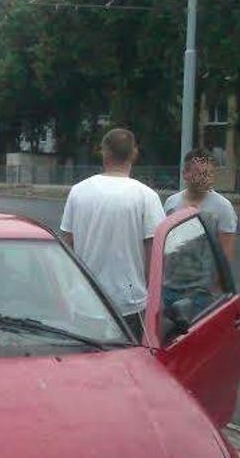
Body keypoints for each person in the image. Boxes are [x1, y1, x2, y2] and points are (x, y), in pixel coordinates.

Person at [60, 128, 164, 340]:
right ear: (134, 153)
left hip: (85, 301)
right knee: (128, 359)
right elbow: (155, 254)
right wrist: (151, 295)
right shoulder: (147, 196)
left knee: (87, 360)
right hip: (130, 303)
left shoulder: (78, 192)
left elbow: (67, 245)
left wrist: (67, 289)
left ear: (104, 152)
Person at [164, 148, 238, 261]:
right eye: (199, 173)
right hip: (175, 269)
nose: (205, 179)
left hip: (206, 271)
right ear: (185, 174)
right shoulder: (171, 203)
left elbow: (225, 253)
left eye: (209, 174)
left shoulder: (223, 207)